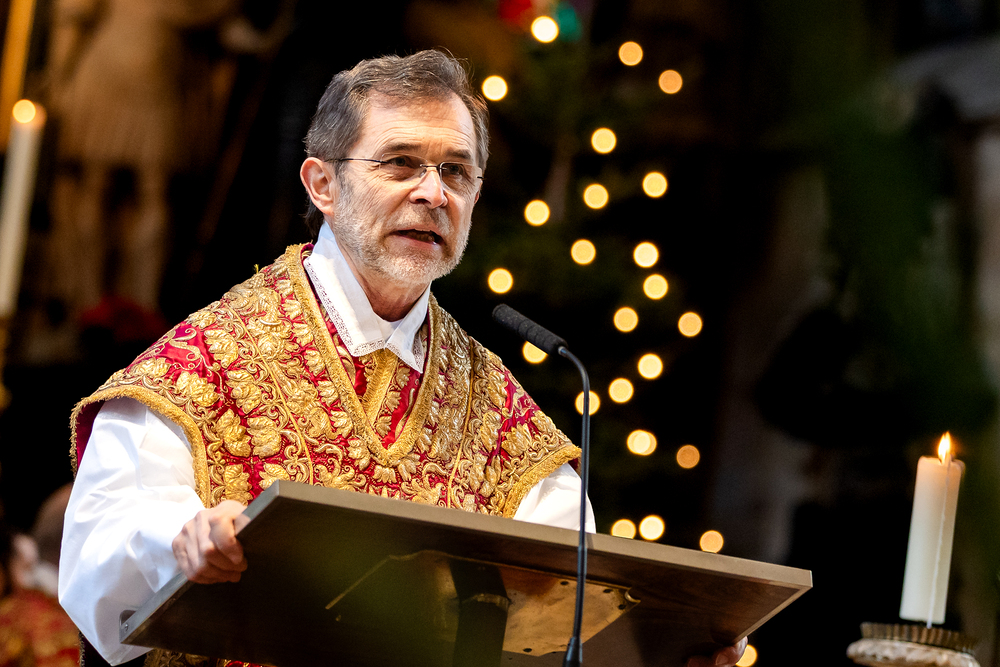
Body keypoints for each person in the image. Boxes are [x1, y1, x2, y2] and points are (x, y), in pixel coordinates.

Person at [59, 50, 745, 667]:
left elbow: (572, 605)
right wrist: (180, 538)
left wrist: (666, 645)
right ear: (322, 185)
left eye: (456, 171)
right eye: (399, 163)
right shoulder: (206, 360)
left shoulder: (499, 409)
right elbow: (100, 557)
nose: (433, 193)